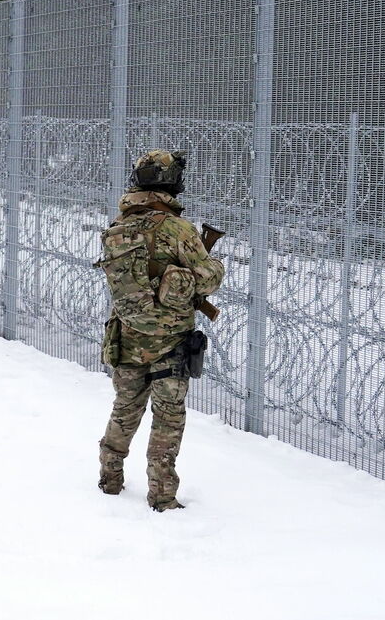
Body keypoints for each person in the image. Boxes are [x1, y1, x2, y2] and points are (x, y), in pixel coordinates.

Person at [95, 150, 225, 511]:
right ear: (172, 182)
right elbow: (208, 280)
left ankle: (109, 477)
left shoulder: (118, 226)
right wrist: (212, 262)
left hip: (127, 337)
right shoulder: (179, 229)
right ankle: (162, 495)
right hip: (170, 341)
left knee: (125, 409)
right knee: (168, 419)